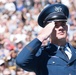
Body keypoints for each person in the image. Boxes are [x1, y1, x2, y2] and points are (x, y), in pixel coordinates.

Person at [16, 3, 76, 75]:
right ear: (48, 29)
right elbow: (21, 61)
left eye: (63, 24)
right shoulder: (42, 54)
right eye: (56, 25)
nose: (61, 28)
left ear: (66, 27)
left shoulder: (74, 51)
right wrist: (41, 37)